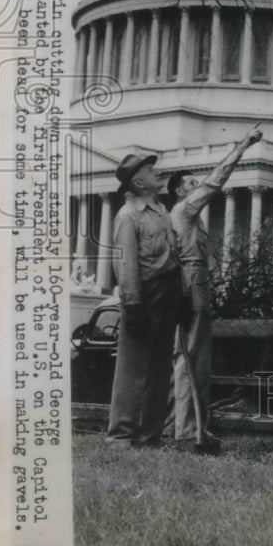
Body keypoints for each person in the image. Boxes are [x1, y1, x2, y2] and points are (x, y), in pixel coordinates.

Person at [167, 125, 263, 450]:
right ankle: (188, 431)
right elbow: (216, 180)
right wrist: (243, 145)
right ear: (180, 192)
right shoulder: (185, 210)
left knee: (190, 357)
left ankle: (184, 427)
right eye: (191, 184)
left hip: (193, 282)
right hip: (193, 283)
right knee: (193, 358)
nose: (198, 187)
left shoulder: (186, 215)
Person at [106, 153, 183, 448]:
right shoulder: (129, 215)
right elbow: (125, 264)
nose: (158, 172)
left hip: (168, 290)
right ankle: (121, 435)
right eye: (151, 170)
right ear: (138, 181)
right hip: (143, 292)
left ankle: (150, 434)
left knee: (160, 366)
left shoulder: (162, 210)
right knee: (132, 367)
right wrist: (133, 304)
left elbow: (172, 256)